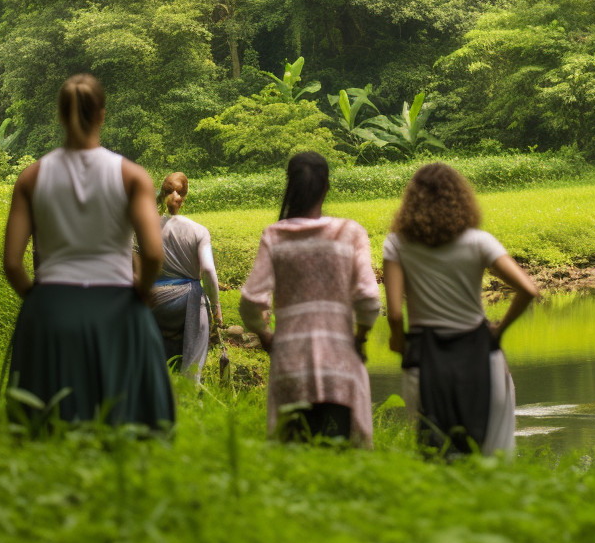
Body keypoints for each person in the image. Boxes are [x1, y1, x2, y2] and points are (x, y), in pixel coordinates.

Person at [2, 74, 173, 430]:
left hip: (51, 305)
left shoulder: (31, 178)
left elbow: (13, 264)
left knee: (46, 427)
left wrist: (39, 299)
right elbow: (154, 254)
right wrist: (140, 293)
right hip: (118, 306)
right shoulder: (132, 176)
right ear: (102, 115)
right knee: (125, 424)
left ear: (61, 116)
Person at [382, 163, 538, 457]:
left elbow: (394, 314)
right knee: (492, 450)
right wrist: (500, 331)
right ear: (459, 198)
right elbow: (528, 290)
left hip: (425, 355)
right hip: (479, 352)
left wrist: (397, 340)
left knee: (433, 449)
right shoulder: (478, 241)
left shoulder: (397, 244)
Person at [240, 152, 381, 446]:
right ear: (326, 186)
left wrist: (265, 335)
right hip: (339, 365)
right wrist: (361, 336)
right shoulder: (349, 233)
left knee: (295, 455)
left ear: (289, 187)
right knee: (337, 454)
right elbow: (368, 297)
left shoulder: (275, 236)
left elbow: (252, 299)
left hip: (291, 364)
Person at [148, 172, 223, 383]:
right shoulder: (198, 230)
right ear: (185, 196)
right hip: (186, 299)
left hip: (153, 299)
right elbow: (208, 270)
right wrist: (216, 309)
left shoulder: (148, 227)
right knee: (198, 334)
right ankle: (191, 383)